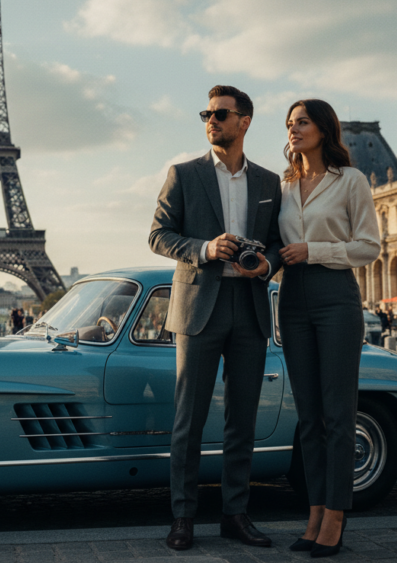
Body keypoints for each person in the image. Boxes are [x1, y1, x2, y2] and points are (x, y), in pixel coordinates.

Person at [149, 85, 283, 552]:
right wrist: (205, 249)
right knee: (190, 417)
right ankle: (183, 516)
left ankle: (235, 514)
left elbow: (277, 244)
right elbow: (158, 235)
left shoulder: (268, 182)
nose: (211, 120)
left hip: (248, 304)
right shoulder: (183, 174)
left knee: (241, 419)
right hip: (199, 304)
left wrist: (268, 264)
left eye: (221, 114)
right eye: (206, 113)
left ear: (244, 121)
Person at [276, 98, 381, 558]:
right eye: (290, 123)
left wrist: (313, 250)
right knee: (309, 417)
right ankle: (315, 511)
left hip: (336, 297)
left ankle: (336, 516)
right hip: (292, 300)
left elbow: (369, 247)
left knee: (339, 414)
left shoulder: (351, 181)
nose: (294, 129)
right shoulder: (284, 186)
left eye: (302, 122)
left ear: (323, 128)